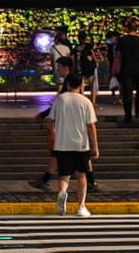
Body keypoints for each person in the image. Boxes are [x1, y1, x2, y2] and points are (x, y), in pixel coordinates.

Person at [48, 72, 99, 218]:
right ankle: (81, 207)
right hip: (81, 144)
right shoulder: (85, 101)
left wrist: (54, 136)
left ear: (67, 84)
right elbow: (91, 125)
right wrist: (95, 145)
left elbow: (50, 121)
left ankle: (62, 192)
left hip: (62, 144)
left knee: (64, 175)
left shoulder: (60, 100)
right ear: (81, 84)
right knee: (81, 175)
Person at [112, 17, 139, 125]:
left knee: (127, 93)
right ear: (136, 29)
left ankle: (128, 116)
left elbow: (118, 57)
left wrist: (114, 70)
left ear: (127, 28)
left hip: (126, 69)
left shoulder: (122, 40)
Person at [75, 32, 100, 106]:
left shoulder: (77, 47)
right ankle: (93, 101)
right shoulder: (89, 46)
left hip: (80, 66)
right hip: (89, 66)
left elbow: (73, 57)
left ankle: (82, 99)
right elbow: (92, 54)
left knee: (82, 84)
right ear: (85, 38)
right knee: (92, 83)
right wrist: (96, 62)